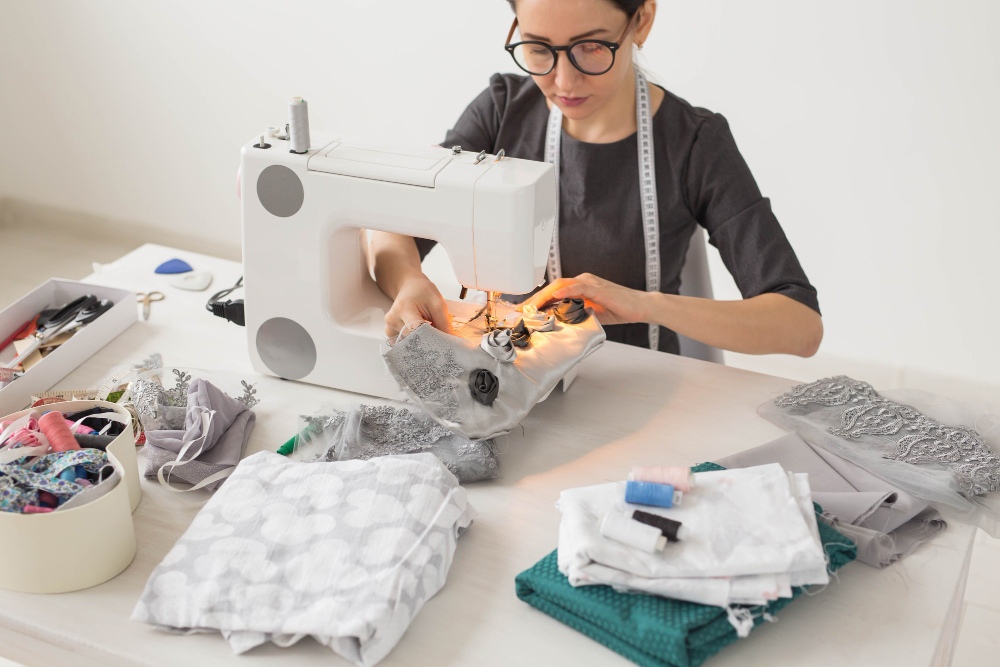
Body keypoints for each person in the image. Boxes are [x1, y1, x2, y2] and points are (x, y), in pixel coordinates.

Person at [370, 0, 823, 358]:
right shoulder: (501, 111)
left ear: (641, 20)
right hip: (514, 368)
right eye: (539, 47)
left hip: (642, 385)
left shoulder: (694, 143)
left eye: (590, 47)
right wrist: (409, 281)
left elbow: (800, 326)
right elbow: (391, 229)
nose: (563, 80)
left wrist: (644, 305)